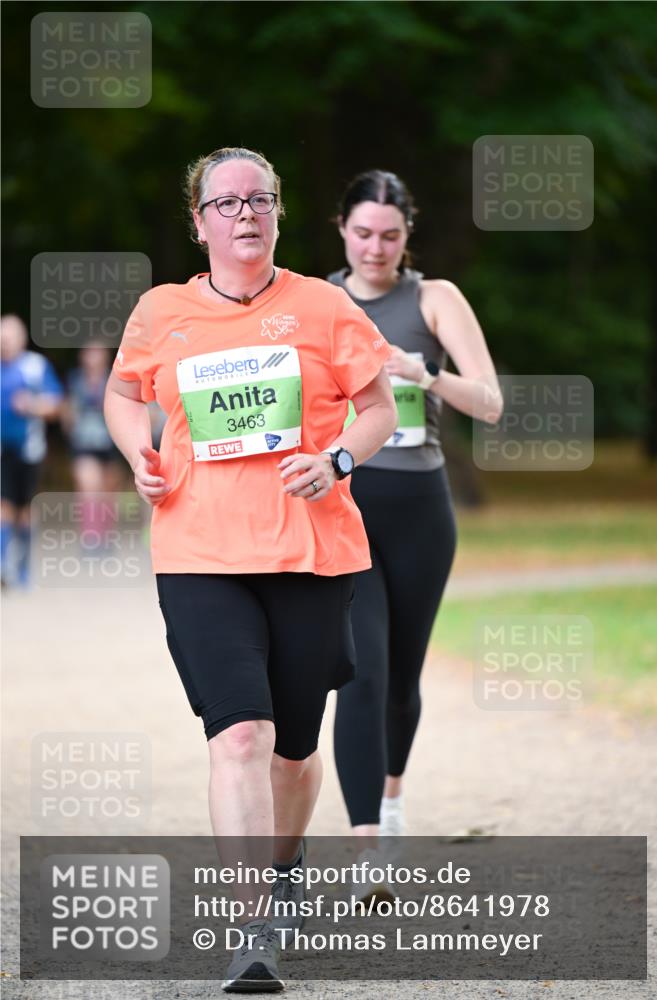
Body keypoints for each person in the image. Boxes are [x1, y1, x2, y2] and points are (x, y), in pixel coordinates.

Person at [103, 147, 397, 992]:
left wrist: (336, 460)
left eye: (259, 200)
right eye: (226, 203)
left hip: (309, 553)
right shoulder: (161, 312)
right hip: (198, 553)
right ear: (198, 222)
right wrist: (137, 451)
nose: (245, 214)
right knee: (239, 736)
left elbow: (378, 408)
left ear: (277, 213)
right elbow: (123, 393)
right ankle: (252, 930)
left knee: (293, 754)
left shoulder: (324, 307)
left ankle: (285, 858)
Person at [329, 170, 503, 895]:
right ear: (342, 230)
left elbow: (489, 403)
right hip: (344, 506)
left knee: (401, 681)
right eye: (363, 233)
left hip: (419, 510)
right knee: (360, 674)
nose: (376, 248)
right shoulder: (314, 300)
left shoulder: (435, 299)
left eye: (390, 236)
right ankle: (367, 847)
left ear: (408, 235)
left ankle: (392, 800)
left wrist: (423, 373)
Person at [1, 314, 63, 588]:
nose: (5, 342)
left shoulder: (35, 367)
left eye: (9, 337)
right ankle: (3, 565)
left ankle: (23, 568)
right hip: (3, 451)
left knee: (25, 510)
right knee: (3, 507)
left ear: (21, 338)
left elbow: (56, 405)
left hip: (30, 450)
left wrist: (32, 405)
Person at [62, 344, 123, 540]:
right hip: (84, 444)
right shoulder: (75, 380)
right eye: (89, 353)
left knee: (108, 491)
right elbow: (67, 410)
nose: (93, 358)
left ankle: (106, 536)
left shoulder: (115, 379)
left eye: (97, 353)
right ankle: (90, 537)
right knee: (89, 486)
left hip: (112, 443)